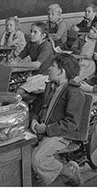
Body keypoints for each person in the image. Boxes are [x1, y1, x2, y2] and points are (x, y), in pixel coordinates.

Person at [30, 55, 85, 186]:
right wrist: (34, 120)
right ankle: (42, 171)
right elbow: (38, 107)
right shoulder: (50, 87)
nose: (49, 69)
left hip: (60, 134)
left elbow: (71, 123)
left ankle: (69, 172)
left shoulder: (74, 93)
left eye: (52, 66)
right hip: (42, 129)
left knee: (37, 159)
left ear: (62, 72)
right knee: (17, 150)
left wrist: (47, 129)